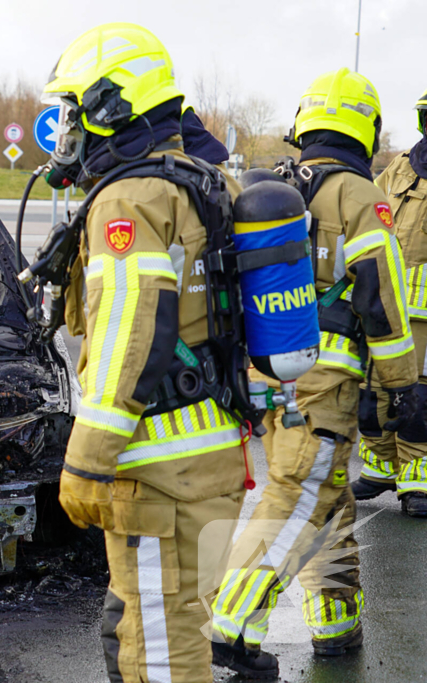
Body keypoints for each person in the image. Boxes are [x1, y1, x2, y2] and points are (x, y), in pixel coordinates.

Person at [46, 23, 249, 683]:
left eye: (74, 109)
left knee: (160, 650)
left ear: (114, 106)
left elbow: (127, 337)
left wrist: (85, 461)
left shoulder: (129, 198)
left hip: (159, 471)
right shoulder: (206, 179)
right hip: (210, 458)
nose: (65, 127)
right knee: (165, 622)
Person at [211, 67, 418, 673]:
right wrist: (403, 384)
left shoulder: (274, 185)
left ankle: (336, 622)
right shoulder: (359, 194)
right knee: (301, 498)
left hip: (267, 378)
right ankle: (229, 625)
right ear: (366, 128)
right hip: (321, 384)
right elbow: (382, 296)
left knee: (326, 497)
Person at [350, 87, 427, 517]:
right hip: (384, 299)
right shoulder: (400, 167)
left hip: (424, 315)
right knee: (375, 388)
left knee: (416, 396)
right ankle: (380, 467)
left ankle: (418, 481)